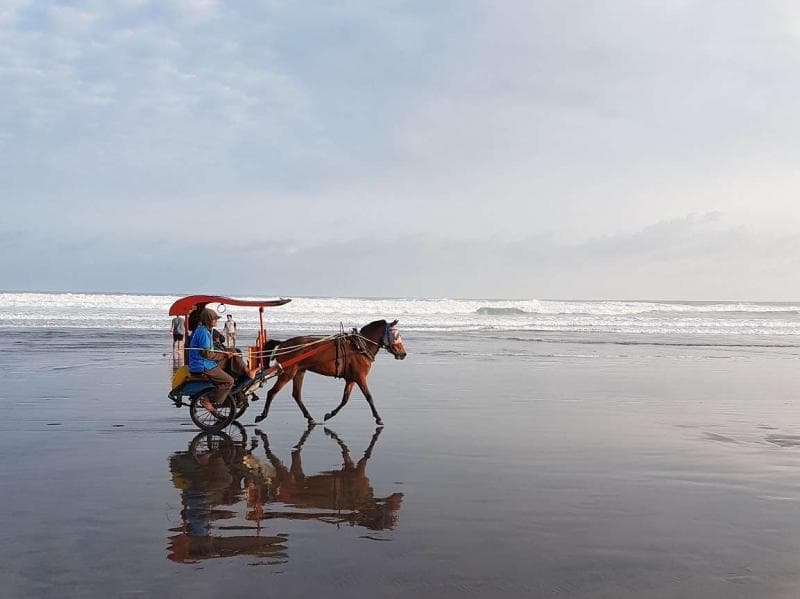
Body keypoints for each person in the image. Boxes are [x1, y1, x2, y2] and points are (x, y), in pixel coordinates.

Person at [188, 308, 258, 412]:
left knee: (233, 355)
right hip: (202, 365)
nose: (216, 321)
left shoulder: (205, 330)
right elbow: (206, 354)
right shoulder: (203, 333)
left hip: (206, 363)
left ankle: (244, 376)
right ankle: (207, 400)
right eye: (214, 319)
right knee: (229, 381)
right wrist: (224, 356)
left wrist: (226, 354)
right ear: (208, 320)